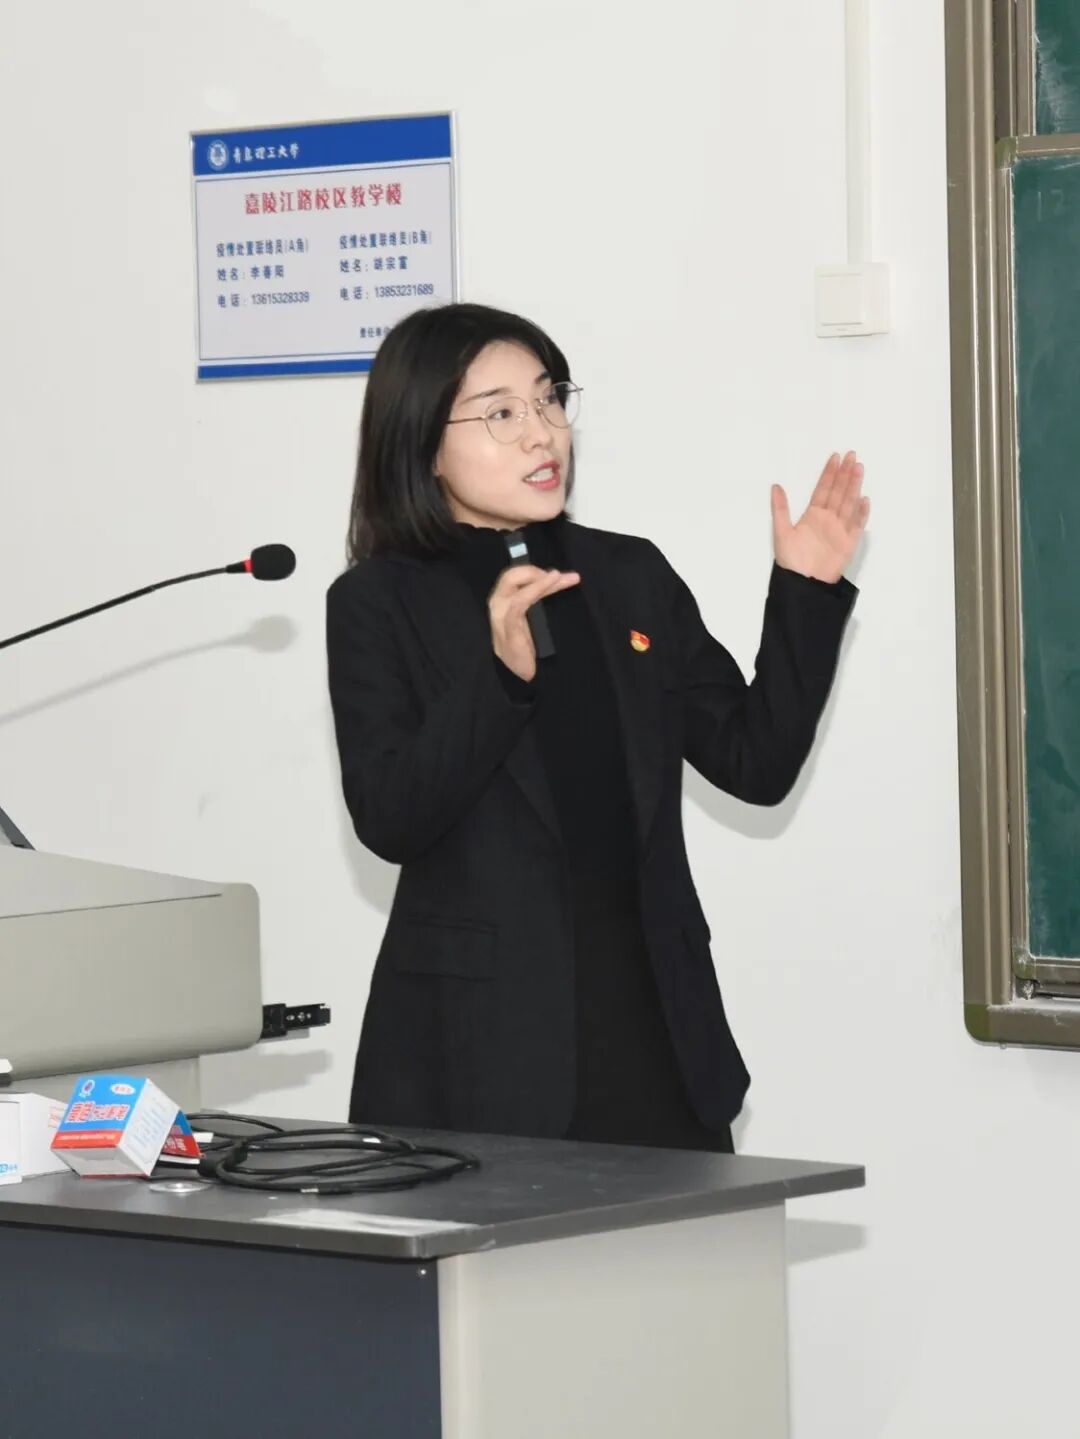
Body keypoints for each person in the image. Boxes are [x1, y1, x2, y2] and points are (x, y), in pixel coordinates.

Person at [326, 302, 866, 1152]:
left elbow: (755, 764)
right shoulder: (378, 602)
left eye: (549, 399)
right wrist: (499, 680)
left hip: (655, 1040)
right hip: (477, 1061)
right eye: (501, 413)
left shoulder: (627, 575)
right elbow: (391, 817)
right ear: (424, 443)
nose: (541, 433)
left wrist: (806, 592)